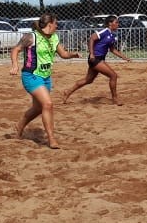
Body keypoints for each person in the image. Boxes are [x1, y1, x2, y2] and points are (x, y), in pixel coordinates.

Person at [10, 14, 80, 149]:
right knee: (48, 104)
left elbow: (63, 54)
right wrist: (15, 65)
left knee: (38, 108)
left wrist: (73, 54)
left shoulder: (54, 37)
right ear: (50, 25)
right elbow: (15, 50)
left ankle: (20, 125)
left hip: (46, 77)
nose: (57, 26)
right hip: (31, 75)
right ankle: (51, 139)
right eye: (56, 23)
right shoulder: (32, 37)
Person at [63, 15, 132, 105]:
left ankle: (67, 92)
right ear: (110, 24)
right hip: (95, 59)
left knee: (88, 80)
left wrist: (123, 57)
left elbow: (112, 50)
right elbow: (92, 38)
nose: (118, 24)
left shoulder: (112, 35)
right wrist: (91, 53)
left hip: (99, 59)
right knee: (113, 76)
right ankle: (115, 99)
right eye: (116, 22)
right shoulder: (105, 32)